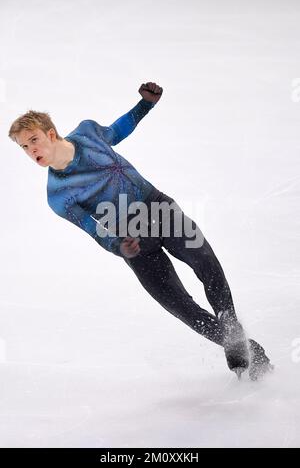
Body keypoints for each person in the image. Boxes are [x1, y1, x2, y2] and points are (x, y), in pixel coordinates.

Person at [8, 81, 273, 380]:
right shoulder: (57, 194)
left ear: (50, 134)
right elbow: (92, 229)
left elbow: (116, 131)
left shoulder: (88, 133)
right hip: (131, 241)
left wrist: (145, 105)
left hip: (160, 210)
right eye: (24, 147)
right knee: (181, 307)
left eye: (33, 140)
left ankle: (230, 326)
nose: (31, 151)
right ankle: (245, 348)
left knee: (206, 264)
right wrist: (117, 245)